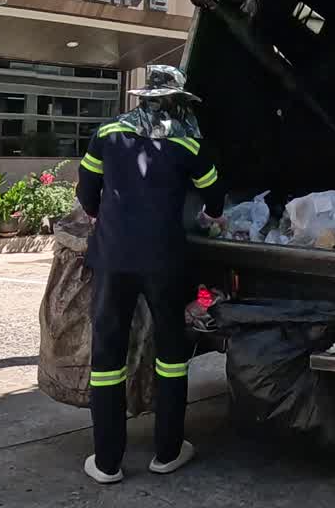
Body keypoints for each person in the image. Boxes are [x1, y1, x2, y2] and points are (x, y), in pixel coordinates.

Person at [76, 65, 227, 483]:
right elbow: (214, 197)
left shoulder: (108, 134)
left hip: (113, 258)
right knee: (171, 353)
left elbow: (87, 192)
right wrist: (209, 217)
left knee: (107, 354)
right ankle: (168, 452)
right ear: (178, 102)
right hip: (164, 260)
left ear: (142, 97)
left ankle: (107, 462)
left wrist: (103, 216)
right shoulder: (188, 143)